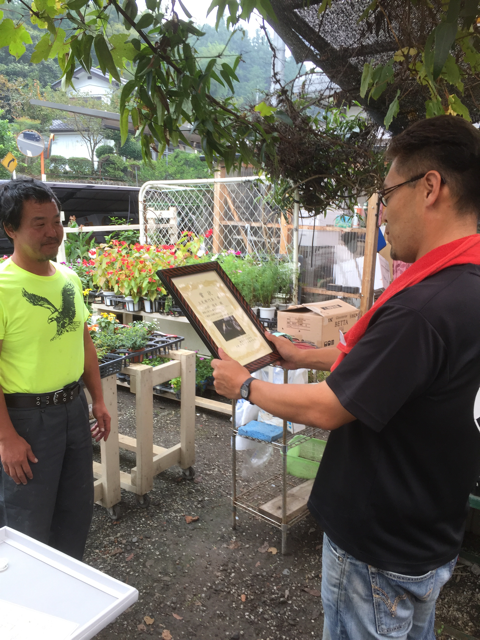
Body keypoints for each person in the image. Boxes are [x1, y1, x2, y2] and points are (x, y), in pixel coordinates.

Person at [212, 115, 480, 640]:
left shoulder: (422, 307)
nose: (382, 213)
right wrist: (300, 355)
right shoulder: (464, 285)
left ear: (430, 187)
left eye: (388, 195)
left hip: (378, 547)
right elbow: (393, 370)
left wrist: (244, 386)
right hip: (426, 530)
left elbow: (330, 407)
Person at [0, 178, 110, 560]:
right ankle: (27, 594)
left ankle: (68, 585)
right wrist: (6, 438)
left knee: (75, 512)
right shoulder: (3, 287)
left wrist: (98, 399)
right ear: (10, 228)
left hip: (73, 410)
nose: (53, 232)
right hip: (26, 420)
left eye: (56, 221)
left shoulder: (69, 278)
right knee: (26, 523)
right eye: (39, 223)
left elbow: (83, 342)